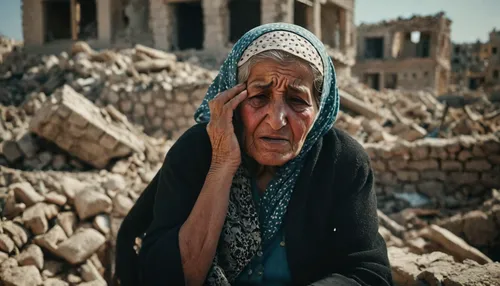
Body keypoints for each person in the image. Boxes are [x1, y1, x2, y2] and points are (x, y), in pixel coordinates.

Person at [114, 23, 393, 286]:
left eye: (297, 100)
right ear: (232, 97)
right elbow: (165, 275)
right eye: (259, 96)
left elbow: (369, 273)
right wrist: (222, 164)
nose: (276, 120)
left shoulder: (341, 160)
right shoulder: (197, 151)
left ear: (320, 110)